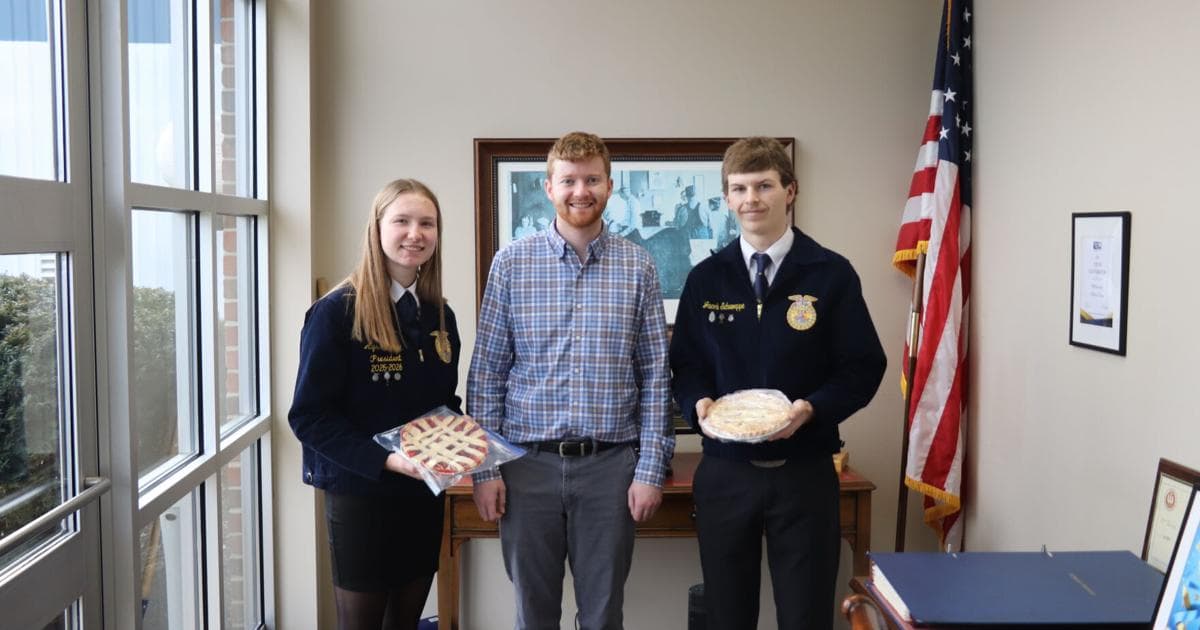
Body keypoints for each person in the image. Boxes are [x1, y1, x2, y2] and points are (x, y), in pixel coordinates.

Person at [669, 137, 887, 629]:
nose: (752, 199)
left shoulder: (831, 274)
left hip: (805, 471)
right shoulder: (706, 279)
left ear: (790, 190)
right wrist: (697, 401)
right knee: (727, 615)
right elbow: (685, 364)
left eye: (764, 185)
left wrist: (812, 408)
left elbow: (862, 366)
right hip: (726, 473)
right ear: (726, 198)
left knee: (806, 614)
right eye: (740, 188)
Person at [469, 131, 674, 630]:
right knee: (533, 614)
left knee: (603, 615)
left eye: (591, 179)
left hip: (610, 470)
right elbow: (487, 374)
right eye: (568, 180)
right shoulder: (511, 264)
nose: (580, 190)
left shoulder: (638, 266)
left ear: (609, 185)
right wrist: (485, 470)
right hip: (525, 468)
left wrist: (650, 469)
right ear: (548, 187)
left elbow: (655, 378)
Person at [288, 179, 462, 630]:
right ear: (377, 228)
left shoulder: (439, 315)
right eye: (401, 221)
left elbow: (443, 403)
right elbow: (309, 416)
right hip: (361, 498)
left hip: (421, 496)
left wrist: (465, 442)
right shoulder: (335, 312)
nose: (415, 233)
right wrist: (386, 460)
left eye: (427, 223)